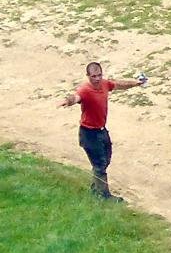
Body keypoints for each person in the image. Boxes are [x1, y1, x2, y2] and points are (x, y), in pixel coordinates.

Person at [58, 62, 147, 202]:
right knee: (99, 164)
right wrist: (67, 101)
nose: (97, 79)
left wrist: (136, 83)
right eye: (94, 76)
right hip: (89, 133)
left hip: (101, 131)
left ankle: (96, 187)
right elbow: (76, 97)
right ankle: (104, 196)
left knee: (105, 159)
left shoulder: (105, 84)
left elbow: (119, 85)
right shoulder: (85, 90)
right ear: (88, 76)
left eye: (99, 75)